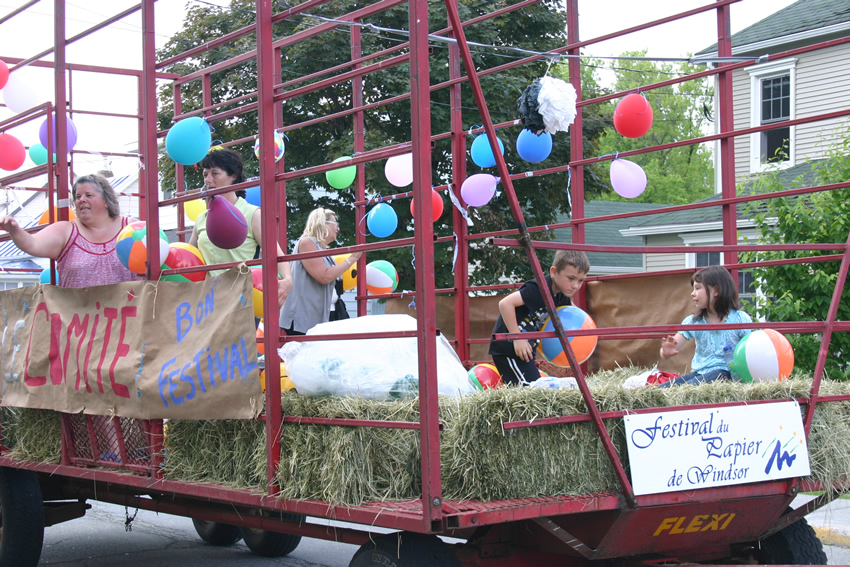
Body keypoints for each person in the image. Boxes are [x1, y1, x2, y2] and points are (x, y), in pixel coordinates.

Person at [188, 148, 292, 305]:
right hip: (207, 303)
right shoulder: (202, 218)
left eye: (215, 174)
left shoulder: (253, 214)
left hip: (240, 301)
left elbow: (275, 252)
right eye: (205, 174)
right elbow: (190, 258)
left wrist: (288, 279)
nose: (207, 180)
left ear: (233, 176)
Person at [0, 174, 143, 287]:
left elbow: (157, 260)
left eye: (88, 195)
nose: (82, 200)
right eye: (78, 197)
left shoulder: (131, 228)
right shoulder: (66, 230)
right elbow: (33, 244)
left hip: (126, 321)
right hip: (79, 321)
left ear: (106, 200)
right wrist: (15, 230)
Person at [489, 250, 590, 385]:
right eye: (571, 278)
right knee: (528, 389)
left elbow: (575, 314)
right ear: (554, 272)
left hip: (526, 349)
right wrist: (516, 338)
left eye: (581, 280)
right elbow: (505, 303)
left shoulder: (561, 296)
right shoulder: (539, 288)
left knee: (533, 387)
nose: (575, 285)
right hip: (509, 348)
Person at [658, 265, 753, 387]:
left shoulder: (740, 319)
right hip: (699, 374)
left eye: (698, 288)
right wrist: (665, 352)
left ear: (716, 291)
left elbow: (749, 350)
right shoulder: (693, 321)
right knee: (664, 389)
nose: (692, 294)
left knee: (692, 386)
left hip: (727, 374)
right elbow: (675, 343)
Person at [280, 208, 361, 335]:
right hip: (305, 319)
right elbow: (325, 276)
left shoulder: (321, 249)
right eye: (335, 224)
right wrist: (352, 258)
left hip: (321, 315)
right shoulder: (307, 242)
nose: (338, 229)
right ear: (322, 224)